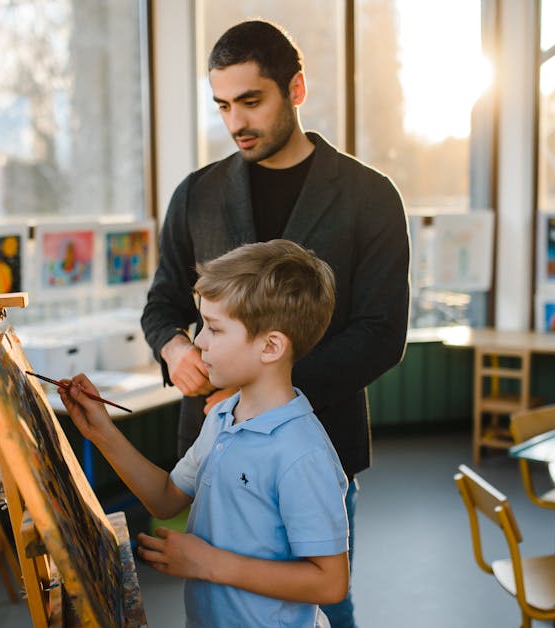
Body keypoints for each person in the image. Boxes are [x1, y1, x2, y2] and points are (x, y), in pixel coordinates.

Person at [140, 18, 410, 626]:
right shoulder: (195, 195)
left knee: (326, 604)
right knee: (220, 605)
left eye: (251, 101)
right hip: (208, 447)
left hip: (320, 446)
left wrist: (258, 391)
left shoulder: (371, 196)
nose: (235, 121)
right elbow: (162, 307)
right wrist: (176, 347)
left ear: (296, 89)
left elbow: (382, 333)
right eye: (223, 105)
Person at [60, 240, 349, 627]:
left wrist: (210, 564)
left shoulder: (302, 453)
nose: (197, 341)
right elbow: (165, 500)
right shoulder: (222, 418)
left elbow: (330, 584)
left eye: (214, 328)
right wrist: (103, 432)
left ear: (270, 346)